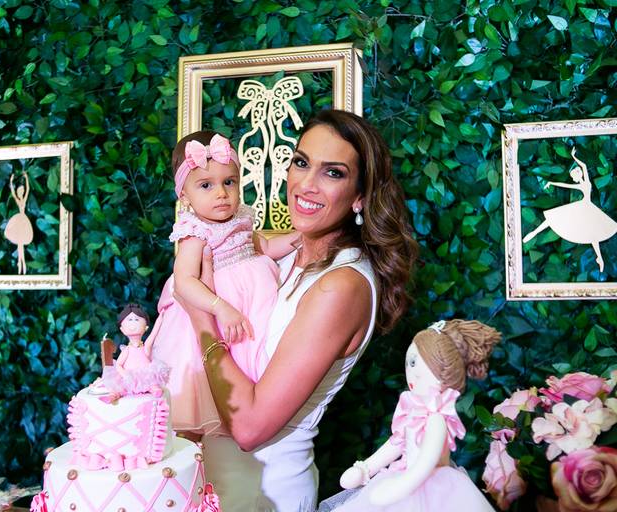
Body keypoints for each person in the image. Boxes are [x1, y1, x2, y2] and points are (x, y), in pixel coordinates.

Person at [177, 109, 419, 511]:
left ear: (360, 196)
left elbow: (250, 427)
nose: (306, 184)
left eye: (333, 173)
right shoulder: (285, 259)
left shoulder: (341, 286)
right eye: (302, 163)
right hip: (213, 484)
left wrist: (202, 319)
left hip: (265, 493)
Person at [151, 132, 300, 436]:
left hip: (251, 305)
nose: (221, 193)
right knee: (204, 378)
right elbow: (184, 282)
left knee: (252, 356)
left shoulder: (241, 219)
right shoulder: (194, 232)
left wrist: (303, 237)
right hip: (217, 308)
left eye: (229, 182)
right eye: (206, 185)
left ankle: (252, 408)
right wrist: (220, 307)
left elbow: (266, 248)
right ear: (184, 196)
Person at [323, 320, 500, 512]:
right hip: (401, 477)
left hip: (431, 490)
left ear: (442, 371)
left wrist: (402, 485)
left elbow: (427, 461)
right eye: (409, 363)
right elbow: (396, 444)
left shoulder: (436, 419)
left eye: (414, 363)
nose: (410, 372)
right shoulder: (412, 411)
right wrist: (365, 468)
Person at [522, 147, 617, 272]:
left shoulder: (586, 183)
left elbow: (583, 167)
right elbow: (565, 185)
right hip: (582, 206)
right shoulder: (581, 184)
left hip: (586, 208)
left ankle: (599, 258)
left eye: (574, 177)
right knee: (559, 220)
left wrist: (574, 157)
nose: (573, 179)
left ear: (579, 175)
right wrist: (552, 183)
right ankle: (534, 233)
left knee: (593, 234)